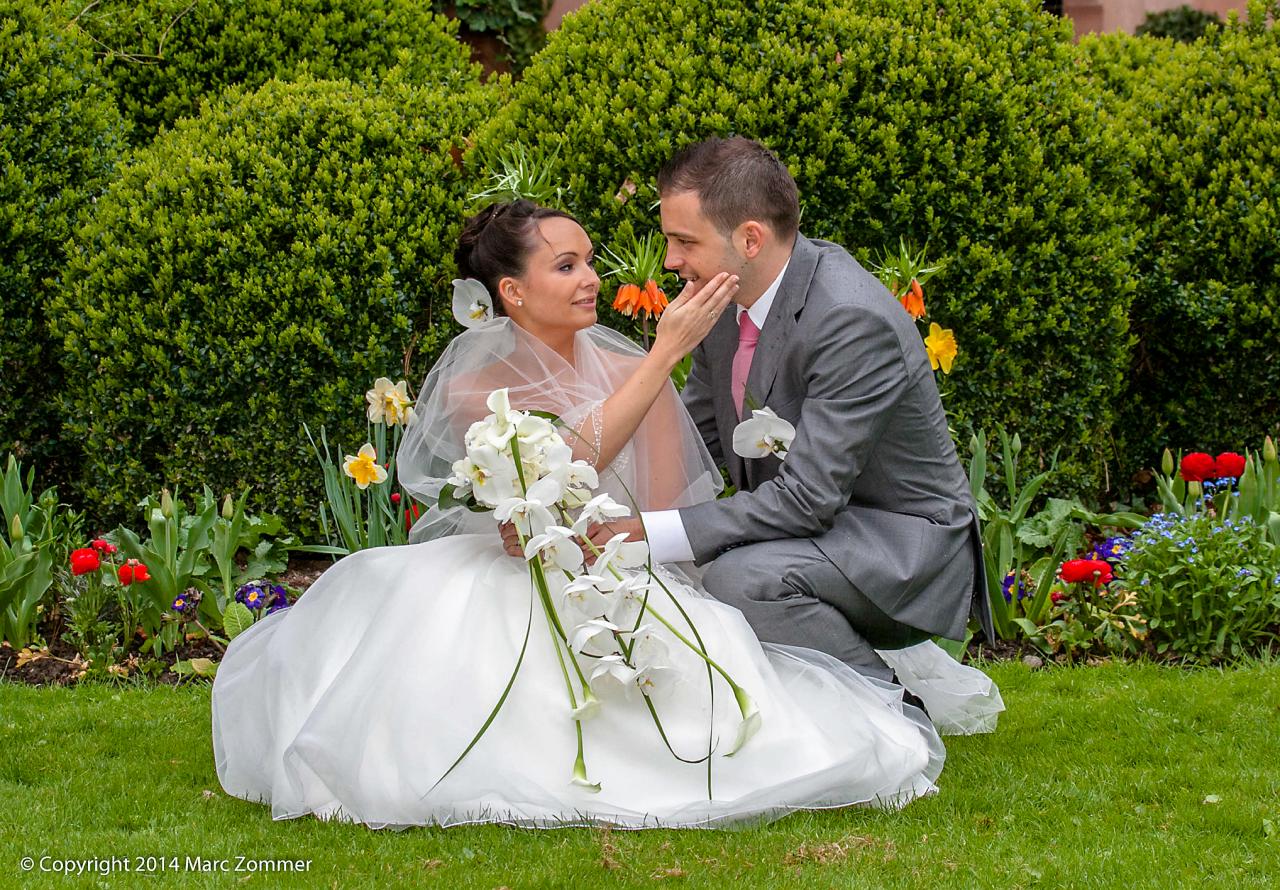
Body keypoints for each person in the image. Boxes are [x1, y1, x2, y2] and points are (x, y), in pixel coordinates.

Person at [211, 200, 955, 830]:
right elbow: (554, 469)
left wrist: (630, 519)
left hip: (621, 568)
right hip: (506, 569)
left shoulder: (634, 367)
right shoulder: (480, 389)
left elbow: (665, 505)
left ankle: (869, 705)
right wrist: (661, 360)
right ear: (511, 291)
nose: (592, 278)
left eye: (589, 260)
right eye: (566, 267)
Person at [586, 137, 996, 688]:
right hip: (820, 530)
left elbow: (806, 499)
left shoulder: (848, 320)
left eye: (684, 241)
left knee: (736, 577)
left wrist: (643, 532)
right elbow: (693, 444)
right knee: (681, 557)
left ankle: (892, 715)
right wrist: (588, 510)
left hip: (901, 548)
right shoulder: (722, 300)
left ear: (750, 239)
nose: (670, 262)